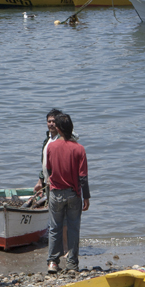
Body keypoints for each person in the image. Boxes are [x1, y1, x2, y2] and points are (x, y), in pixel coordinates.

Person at [44, 113, 89, 274]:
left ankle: (52, 262)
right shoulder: (79, 148)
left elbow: (48, 169)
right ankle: (72, 264)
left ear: (58, 129)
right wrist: (87, 196)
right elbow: (82, 176)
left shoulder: (51, 147)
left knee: (55, 228)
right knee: (73, 228)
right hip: (73, 193)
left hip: (55, 192)